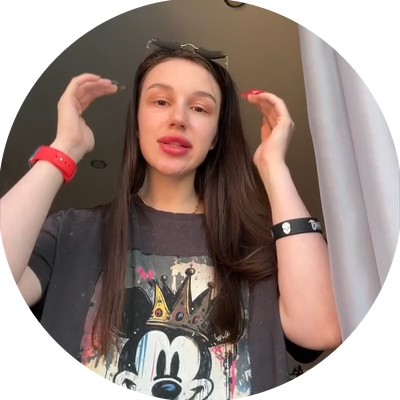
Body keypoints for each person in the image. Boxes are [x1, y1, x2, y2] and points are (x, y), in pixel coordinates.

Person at [0, 39, 341, 398]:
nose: (178, 118)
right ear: (136, 122)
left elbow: (321, 330)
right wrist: (65, 148)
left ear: (215, 138)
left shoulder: (261, 248)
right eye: (161, 101)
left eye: (199, 108)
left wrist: (273, 167)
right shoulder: (71, 232)